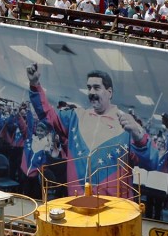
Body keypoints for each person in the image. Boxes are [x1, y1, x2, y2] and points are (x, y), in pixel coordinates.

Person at [22, 64, 159, 194]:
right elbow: (47, 115)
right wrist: (35, 85)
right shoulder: (75, 117)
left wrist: (138, 135)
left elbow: (151, 163)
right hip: (77, 201)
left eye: (96, 88)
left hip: (112, 206)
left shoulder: (127, 125)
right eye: (89, 88)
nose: (91, 92)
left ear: (109, 92)